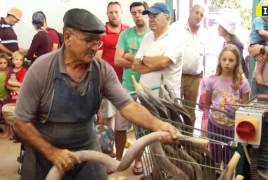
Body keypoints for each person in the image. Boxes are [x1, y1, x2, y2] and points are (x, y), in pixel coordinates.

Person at [13, 8, 177, 180]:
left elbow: (128, 106)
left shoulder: (101, 70)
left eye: (98, 42)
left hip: (86, 147)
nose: (95, 48)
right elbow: (20, 122)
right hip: (45, 152)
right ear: (68, 37)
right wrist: (53, 153)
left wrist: (159, 125)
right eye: (89, 41)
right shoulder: (42, 69)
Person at [114, 1, 149, 175]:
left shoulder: (152, 35)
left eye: (140, 12)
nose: (137, 15)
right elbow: (117, 60)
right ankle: (118, 160)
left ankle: (137, 161)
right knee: (120, 126)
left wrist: (129, 57)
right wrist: (139, 61)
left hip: (146, 90)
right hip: (126, 87)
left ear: (146, 13)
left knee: (141, 129)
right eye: (134, 12)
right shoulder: (125, 35)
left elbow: (152, 63)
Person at [205, 44, 250, 165]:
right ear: (219, 60)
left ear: (237, 62)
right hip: (214, 125)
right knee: (214, 156)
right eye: (224, 59)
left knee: (229, 159)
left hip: (232, 128)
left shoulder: (242, 83)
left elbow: (245, 107)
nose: (227, 63)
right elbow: (207, 103)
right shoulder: (212, 80)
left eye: (231, 60)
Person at [132, 2, 183, 98]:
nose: (151, 19)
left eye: (155, 16)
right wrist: (155, 65)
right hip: (145, 96)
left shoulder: (176, 38)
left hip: (166, 98)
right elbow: (135, 65)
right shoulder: (147, 37)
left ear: (167, 18)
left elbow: (163, 63)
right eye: (150, 16)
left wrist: (143, 60)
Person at [97, 1, 129, 143]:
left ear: (121, 13)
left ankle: (119, 145)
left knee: (123, 116)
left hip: (126, 80)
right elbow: (97, 59)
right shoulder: (101, 32)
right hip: (108, 81)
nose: (114, 15)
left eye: (116, 12)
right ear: (107, 14)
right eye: (111, 12)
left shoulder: (128, 31)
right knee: (109, 116)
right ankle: (108, 147)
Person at [171, 4, 207, 125]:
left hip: (195, 79)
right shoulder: (176, 28)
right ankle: (174, 142)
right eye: (197, 12)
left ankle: (188, 141)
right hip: (177, 76)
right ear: (191, 12)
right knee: (174, 109)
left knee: (190, 112)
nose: (198, 16)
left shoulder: (204, 33)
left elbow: (203, 56)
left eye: (201, 15)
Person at [0, 53, 9, 137]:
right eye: (0, 63)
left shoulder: (8, 73)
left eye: (4, 63)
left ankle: (7, 131)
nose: (2, 65)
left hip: (6, 97)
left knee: (6, 116)